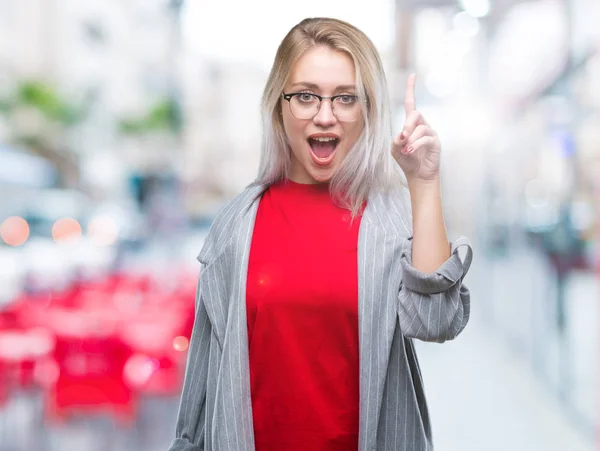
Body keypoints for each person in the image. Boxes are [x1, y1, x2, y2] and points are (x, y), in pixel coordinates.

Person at [169, 17, 473, 451]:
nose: (325, 116)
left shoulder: (389, 219)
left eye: (345, 98)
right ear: (279, 105)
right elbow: (200, 389)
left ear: (366, 109)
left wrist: (423, 183)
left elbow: (436, 322)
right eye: (306, 96)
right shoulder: (236, 224)